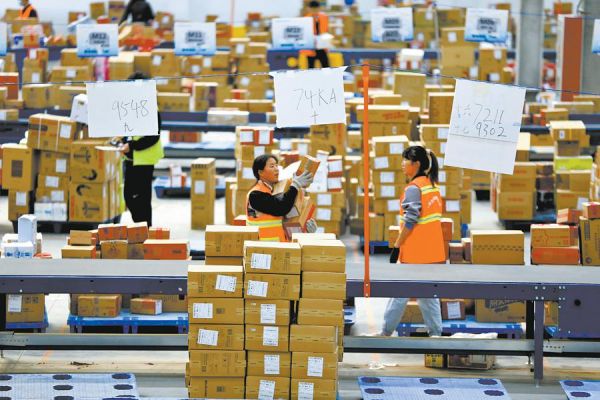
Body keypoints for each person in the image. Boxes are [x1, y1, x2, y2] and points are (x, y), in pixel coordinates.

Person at [380, 146, 445, 337]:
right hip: (433, 252)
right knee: (428, 295)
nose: (402, 164)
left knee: (400, 293)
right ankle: (436, 334)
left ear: (416, 164)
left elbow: (410, 220)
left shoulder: (414, 189)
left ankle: (385, 332)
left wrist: (397, 246)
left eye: (405, 160)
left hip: (416, 253)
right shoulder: (432, 185)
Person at [118, 72, 164, 226]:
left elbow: (153, 137)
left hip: (144, 160)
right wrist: (123, 140)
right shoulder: (132, 106)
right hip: (132, 158)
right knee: (130, 196)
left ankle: (144, 229)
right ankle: (142, 228)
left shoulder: (150, 108)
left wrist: (131, 146)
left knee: (140, 198)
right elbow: (132, 130)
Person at [246, 154, 317, 242]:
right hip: (263, 247)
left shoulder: (274, 191)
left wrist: (306, 230)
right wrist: (295, 185)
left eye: (277, 165)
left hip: (279, 246)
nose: (276, 169)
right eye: (272, 166)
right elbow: (281, 208)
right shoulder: (255, 195)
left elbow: (288, 220)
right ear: (260, 172)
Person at [304, 0, 330, 69]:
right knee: (311, 67)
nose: (314, 10)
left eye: (316, 9)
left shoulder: (324, 17)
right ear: (309, 9)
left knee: (326, 66)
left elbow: (326, 30)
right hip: (311, 46)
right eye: (313, 9)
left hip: (322, 46)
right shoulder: (306, 19)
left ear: (319, 8)